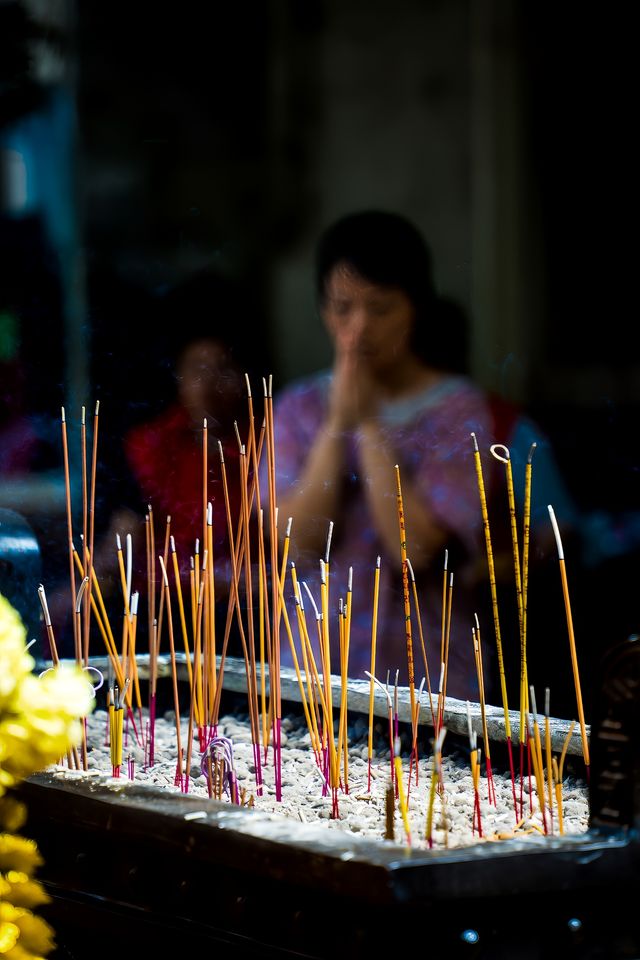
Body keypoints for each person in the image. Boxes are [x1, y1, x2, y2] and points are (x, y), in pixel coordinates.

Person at [261, 210, 579, 710]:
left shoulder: (458, 411)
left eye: (381, 308)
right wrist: (335, 425)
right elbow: (295, 541)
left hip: (429, 678)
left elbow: (416, 548)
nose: (359, 328)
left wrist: (367, 425)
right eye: (343, 308)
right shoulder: (299, 408)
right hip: (313, 671)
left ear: (416, 309)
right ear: (323, 310)